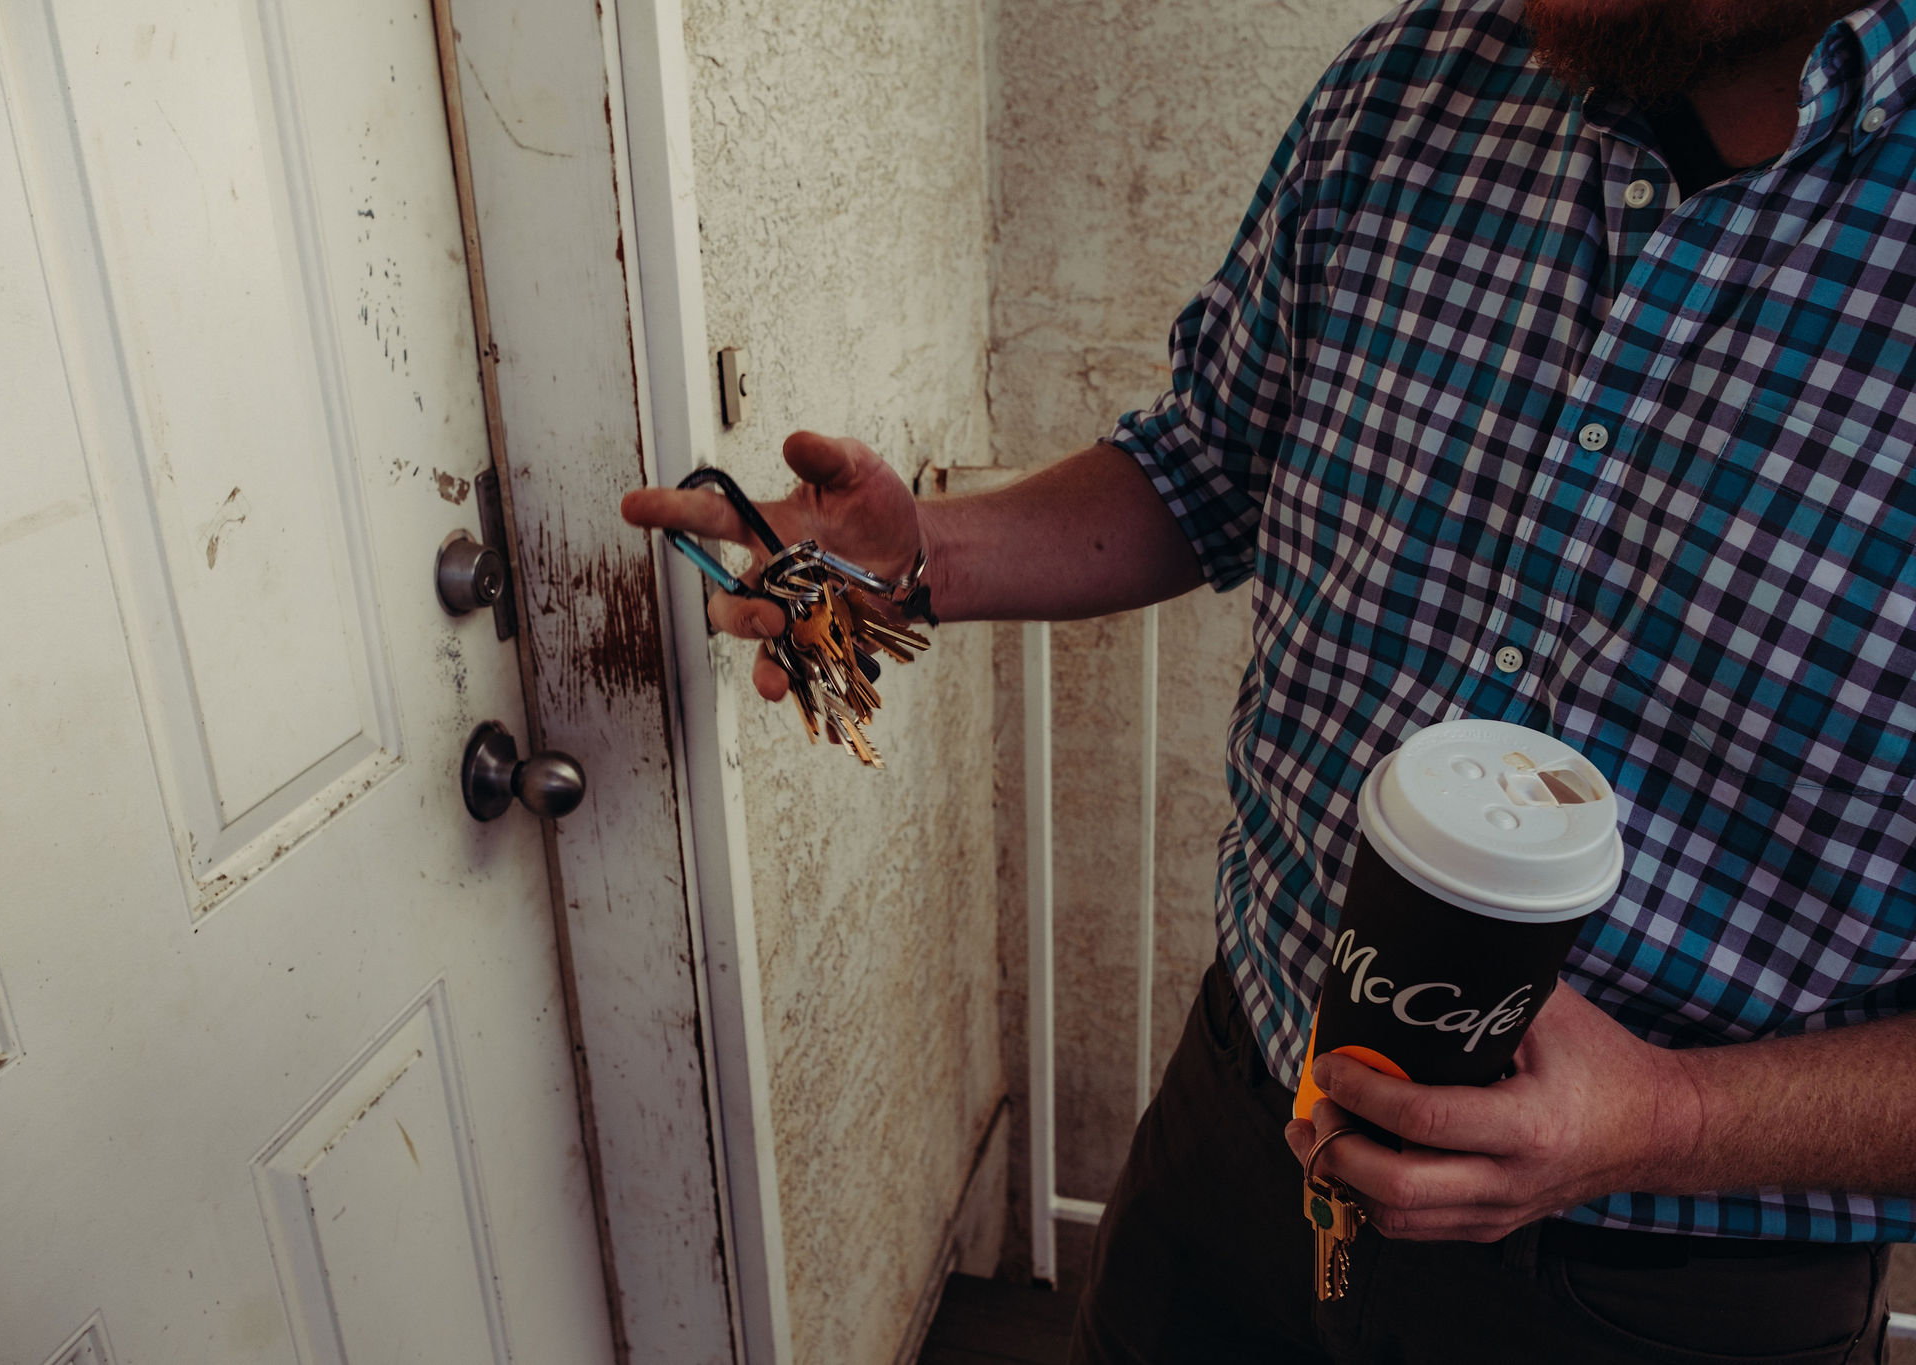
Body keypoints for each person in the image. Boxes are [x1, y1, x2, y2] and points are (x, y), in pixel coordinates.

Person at [623, 0, 1916, 1358]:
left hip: (1665, 1290)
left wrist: (1669, 1118)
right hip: (1240, 1124)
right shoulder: (1414, 80)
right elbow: (1200, 469)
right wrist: (918, 553)